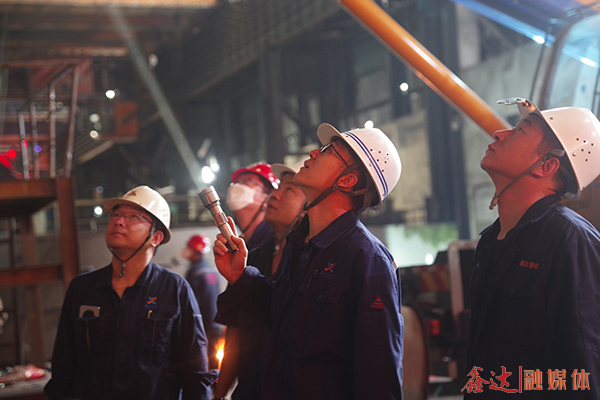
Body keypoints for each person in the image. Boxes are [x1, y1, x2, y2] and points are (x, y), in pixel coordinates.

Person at [213, 124, 404, 400]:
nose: (314, 152)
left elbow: (379, 377)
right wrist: (241, 276)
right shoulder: (300, 244)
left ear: (348, 180)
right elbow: (278, 312)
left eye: (329, 150)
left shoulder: (367, 259)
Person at [464, 98, 600, 399]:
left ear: (546, 165)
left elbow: (586, 369)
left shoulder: (570, 242)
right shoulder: (491, 239)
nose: (499, 133)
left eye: (519, 131)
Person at [45, 185, 217, 400]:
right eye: (116, 215)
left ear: (156, 237)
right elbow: (63, 368)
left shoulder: (174, 289)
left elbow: (195, 373)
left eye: (134, 216)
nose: (118, 221)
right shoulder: (82, 289)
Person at [214, 160, 306, 400]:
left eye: (289, 189)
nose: (275, 195)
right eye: (278, 187)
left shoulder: (311, 263)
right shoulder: (254, 256)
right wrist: (219, 394)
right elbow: (236, 333)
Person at [183, 234, 225, 370]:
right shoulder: (212, 269)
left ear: (193, 250)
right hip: (216, 322)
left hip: (202, 324)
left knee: (201, 361)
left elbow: (191, 301)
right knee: (214, 360)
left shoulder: (194, 272)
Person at [226, 162, 279, 251]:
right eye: (236, 182)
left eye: (246, 181)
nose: (236, 186)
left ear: (269, 196)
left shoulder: (273, 239)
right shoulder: (241, 242)